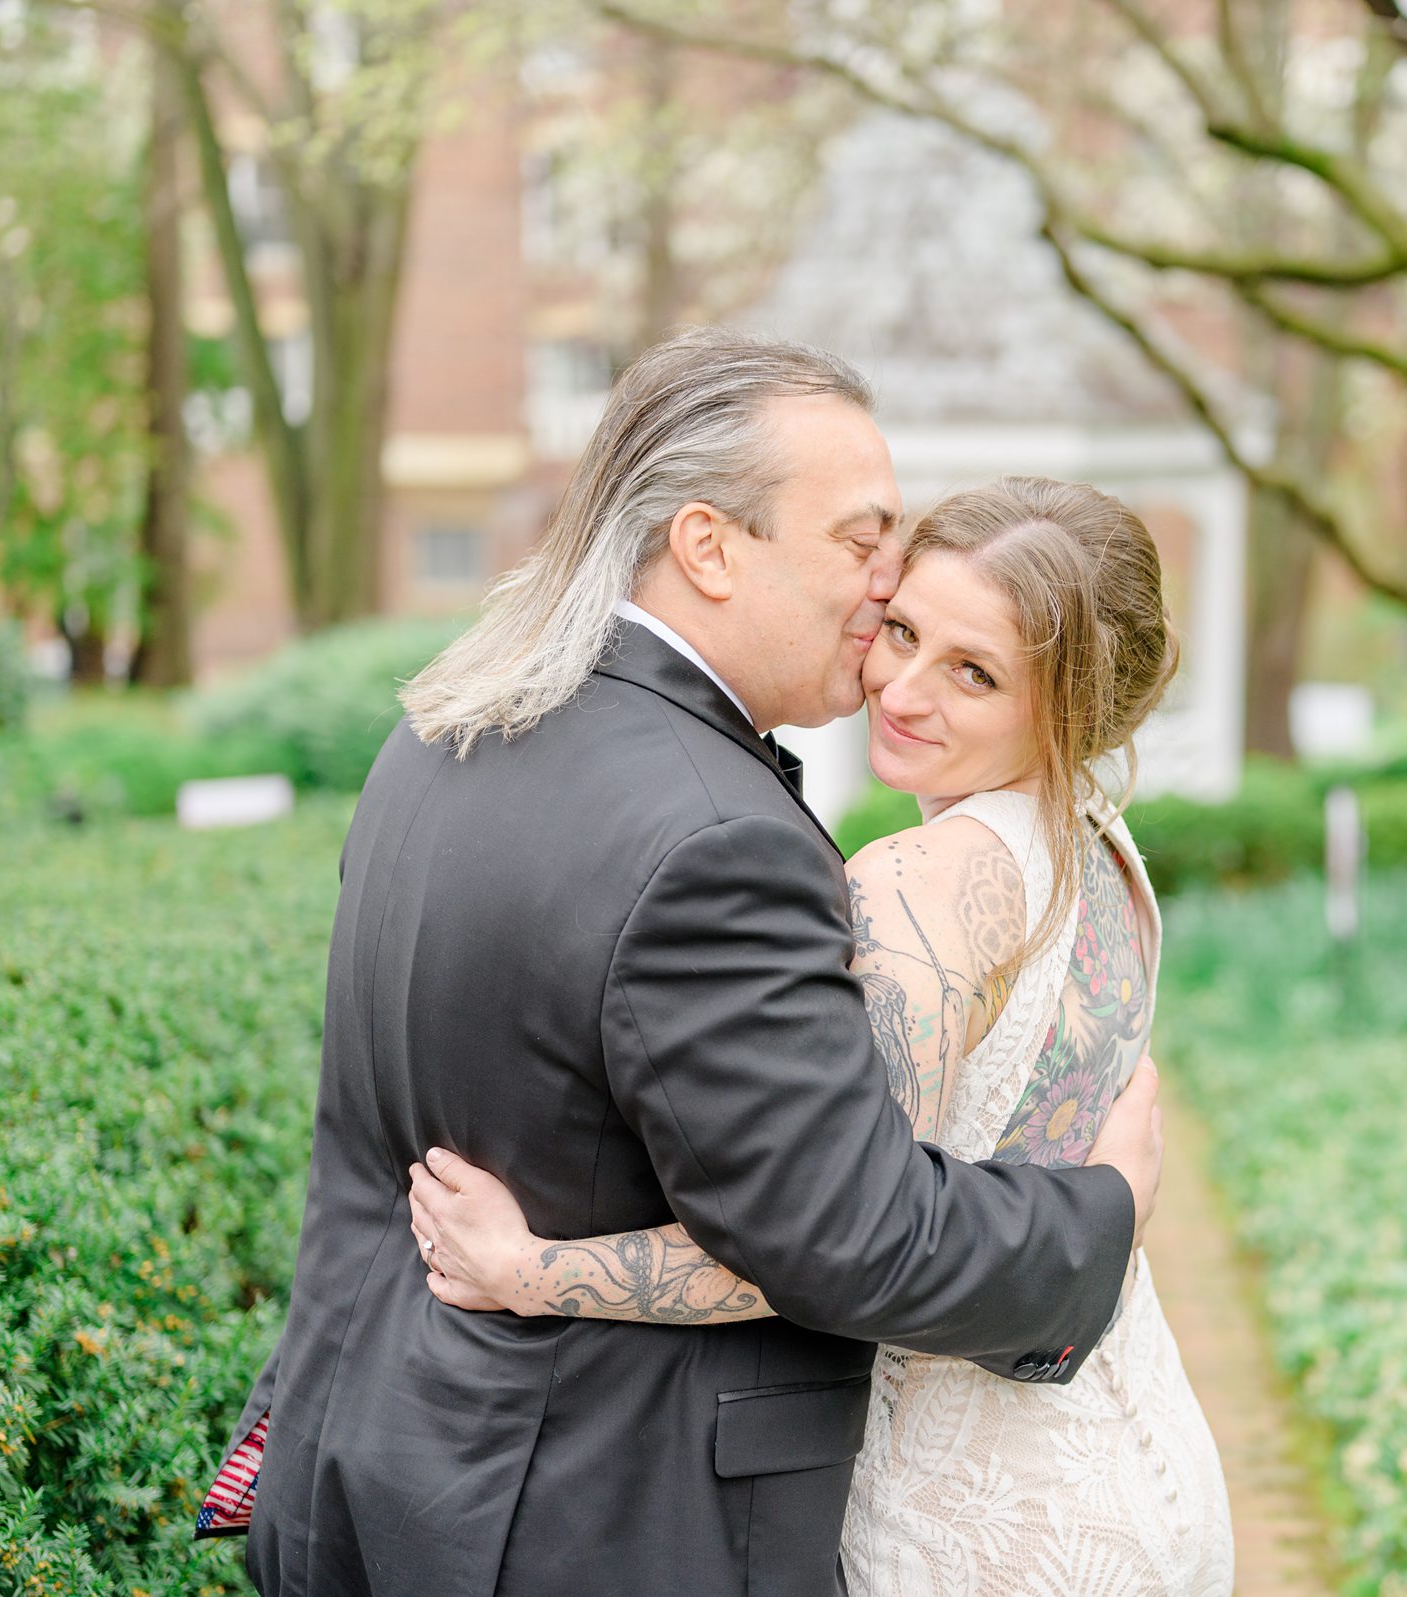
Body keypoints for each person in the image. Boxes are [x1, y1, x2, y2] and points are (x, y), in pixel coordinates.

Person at [200, 330, 1164, 1597]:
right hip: (589, 1517)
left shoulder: (446, 726)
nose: (886, 581)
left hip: (374, 1453)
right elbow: (849, 1233)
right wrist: (1105, 1211)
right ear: (709, 546)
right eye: (858, 539)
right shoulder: (718, 841)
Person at [409, 477, 1234, 1597]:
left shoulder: (920, 887)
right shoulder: (1104, 849)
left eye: (974, 672)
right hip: (1146, 1466)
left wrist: (533, 1271)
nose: (901, 686)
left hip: (984, 1527)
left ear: (1072, 712)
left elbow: (823, 1239)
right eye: (902, 630)